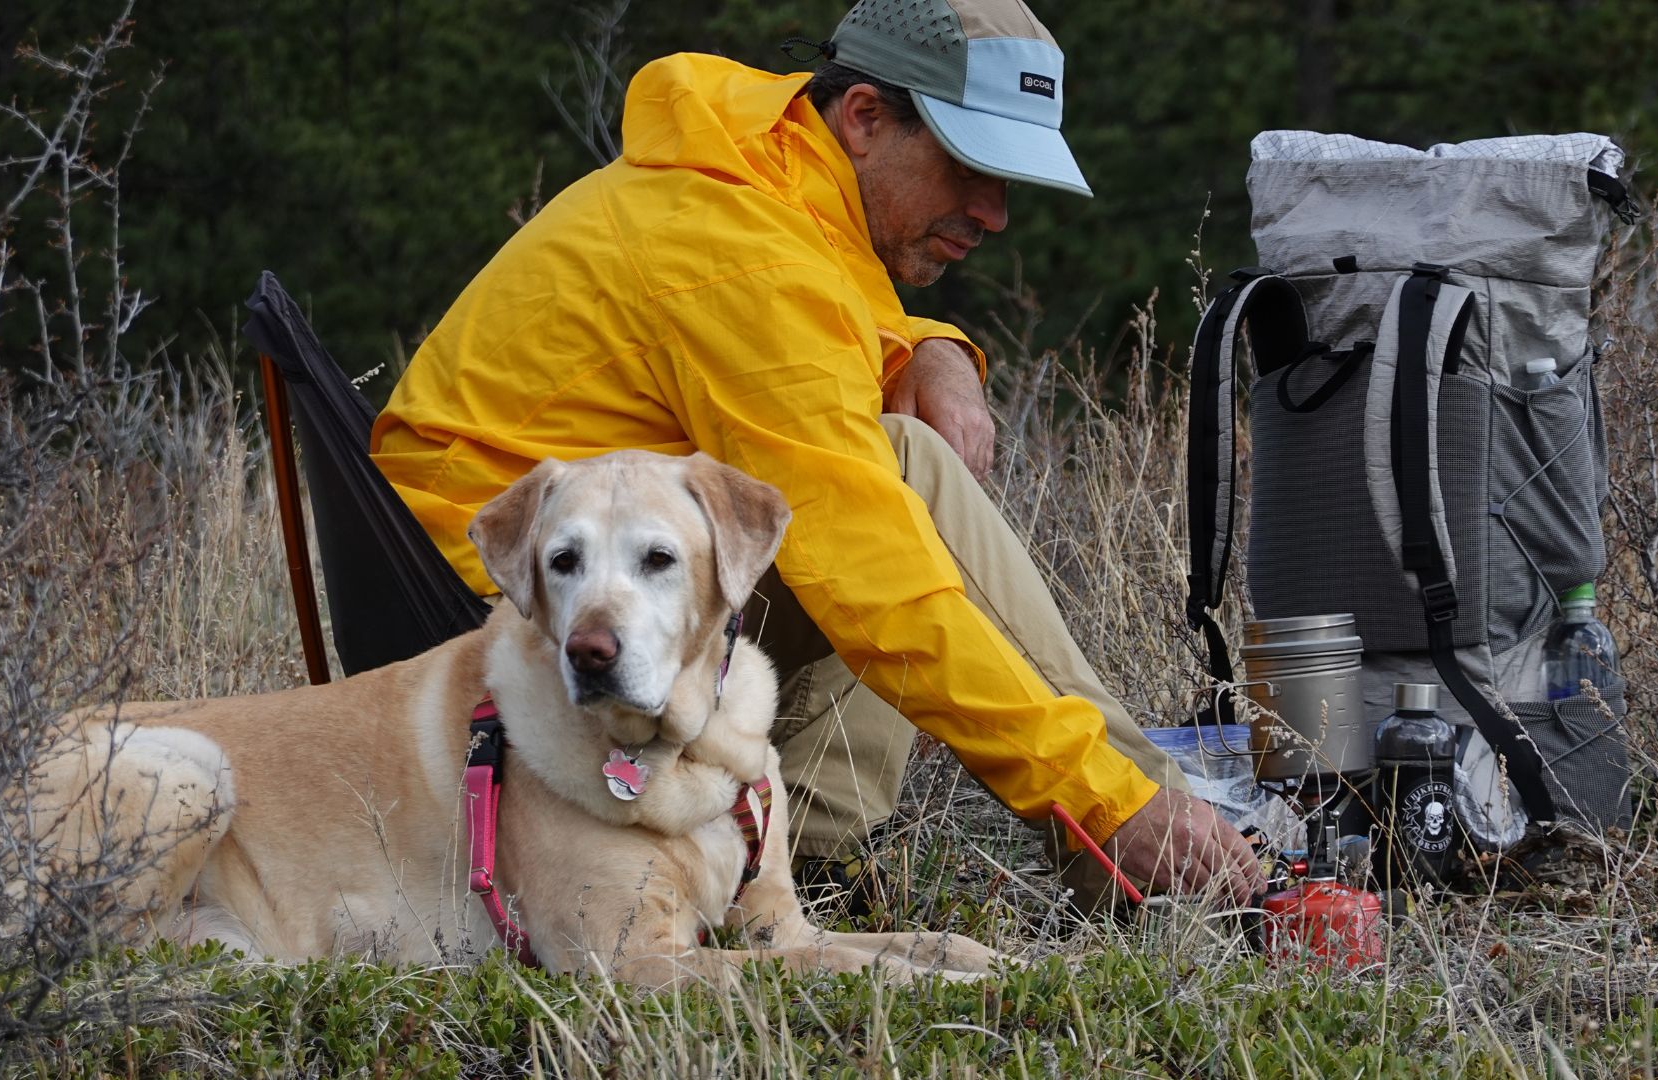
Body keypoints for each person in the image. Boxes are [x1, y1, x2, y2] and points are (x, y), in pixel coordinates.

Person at [369, 0, 1263, 911]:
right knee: (885, 505)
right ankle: (1160, 836)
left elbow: (827, 321)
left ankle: (814, 856)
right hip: (505, 634)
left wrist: (931, 348)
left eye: (1009, 179)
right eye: (970, 166)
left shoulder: (762, 177)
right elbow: (875, 578)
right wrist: (1103, 800)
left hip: (541, 594)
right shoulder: (743, 257)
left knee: (888, 457)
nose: (993, 212)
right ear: (867, 118)